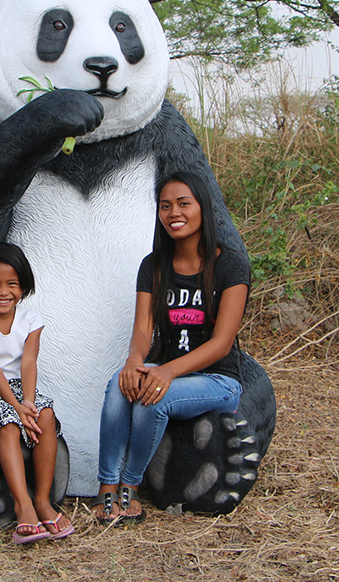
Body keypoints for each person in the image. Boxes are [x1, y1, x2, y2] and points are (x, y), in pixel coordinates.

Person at [94, 171, 249, 523]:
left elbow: (222, 344)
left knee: (155, 395)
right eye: (165, 206)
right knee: (118, 388)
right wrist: (134, 362)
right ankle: (106, 487)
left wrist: (167, 371)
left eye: (183, 204)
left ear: (202, 208)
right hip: (165, 370)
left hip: (217, 380)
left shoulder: (230, 265)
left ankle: (130, 487)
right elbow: (142, 330)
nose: (173, 213)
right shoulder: (154, 266)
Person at [0, 242, 74, 543]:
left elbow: (29, 362)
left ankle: (43, 500)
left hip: (23, 391)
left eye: (12, 284)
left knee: (45, 415)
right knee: (8, 422)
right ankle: (22, 504)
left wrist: (29, 403)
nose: (3, 292)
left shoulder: (30, 320)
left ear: (23, 287)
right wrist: (16, 407)